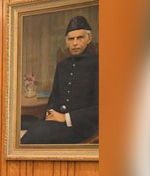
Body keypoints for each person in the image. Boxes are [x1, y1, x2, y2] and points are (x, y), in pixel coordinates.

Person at [21, 16, 98, 144]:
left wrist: (66, 118)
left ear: (89, 39)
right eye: (71, 39)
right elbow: (54, 97)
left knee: (33, 137)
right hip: (57, 122)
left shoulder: (98, 64)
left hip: (82, 126)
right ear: (66, 41)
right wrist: (50, 112)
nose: (75, 43)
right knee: (29, 130)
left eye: (80, 38)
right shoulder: (62, 66)